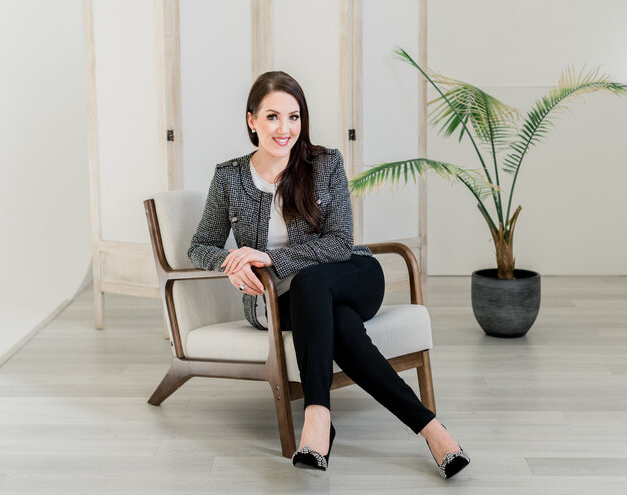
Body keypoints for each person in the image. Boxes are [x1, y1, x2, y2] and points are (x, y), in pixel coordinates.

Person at [187, 71, 470, 479]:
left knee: (311, 281)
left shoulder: (324, 164)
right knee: (336, 321)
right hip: (277, 301)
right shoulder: (229, 177)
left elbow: (339, 243)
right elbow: (201, 246)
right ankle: (432, 430)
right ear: (251, 120)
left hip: (351, 277)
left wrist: (266, 257)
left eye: (294, 117)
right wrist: (231, 263)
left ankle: (317, 418)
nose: (285, 129)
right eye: (272, 117)